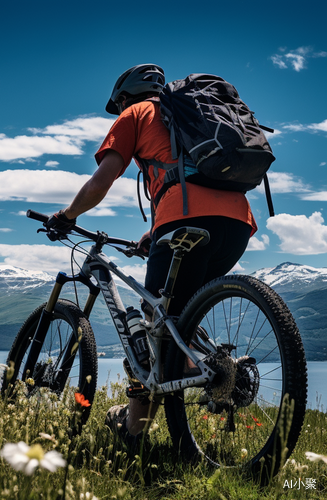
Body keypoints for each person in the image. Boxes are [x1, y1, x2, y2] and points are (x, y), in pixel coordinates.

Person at [46, 64, 257, 449]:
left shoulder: (135, 114)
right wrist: (154, 233)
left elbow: (102, 179)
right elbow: (185, 174)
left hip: (186, 218)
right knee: (173, 320)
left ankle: (135, 428)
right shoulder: (183, 115)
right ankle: (201, 368)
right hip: (237, 225)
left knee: (151, 330)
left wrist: (67, 216)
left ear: (124, 97)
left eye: (120, 103)